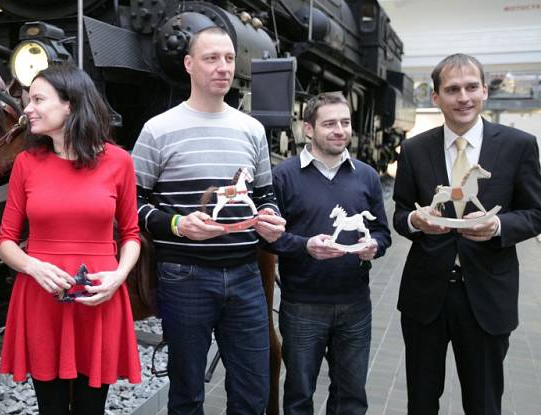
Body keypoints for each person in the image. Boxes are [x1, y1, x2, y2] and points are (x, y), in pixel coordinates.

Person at [132, 26, 287, 414]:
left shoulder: (252, 130)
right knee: (186, 395)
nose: (223, 67)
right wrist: (176, 225)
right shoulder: (158, 130)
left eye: (229, 58)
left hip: (246, 276)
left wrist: (272, 218)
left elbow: (265, 196)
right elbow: (130, 204)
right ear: (188, 64)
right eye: (211, 58)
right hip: (184, 278)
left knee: (252, 393)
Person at [393, 53, 541, 414]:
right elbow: (399, 212)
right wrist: (416, 221)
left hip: (487, 295)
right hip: (425, 296)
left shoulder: (518, 145)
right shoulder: (414, 149)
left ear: (485, 92)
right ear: (435, 97)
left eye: (472, 87)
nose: (464, 97)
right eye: (453, 89)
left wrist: (499, 226)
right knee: (422, 401)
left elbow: (536, 213)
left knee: (484, 401)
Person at [0, 63, 142, 414]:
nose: (28, 109)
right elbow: (5, 242)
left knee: (92, 409)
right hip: (41, 299)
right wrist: (33, 267)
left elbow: (132, 234)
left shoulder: (119, 162)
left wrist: (120, 276)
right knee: (51, 409)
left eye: (38, 100)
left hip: (99, 297)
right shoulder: (26, 164)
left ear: (70, 105)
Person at [270, 92, 391, 414]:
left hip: (355, 306)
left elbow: (382, 232)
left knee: (351, 397)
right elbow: (269, 238)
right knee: (299, 395)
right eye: (329, 123)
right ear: (308, 129)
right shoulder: (284, 175)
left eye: (345, 122)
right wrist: (305, 246)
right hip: (302, 306)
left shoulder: (366, 175)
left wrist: (374, 247)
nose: (340, 130)